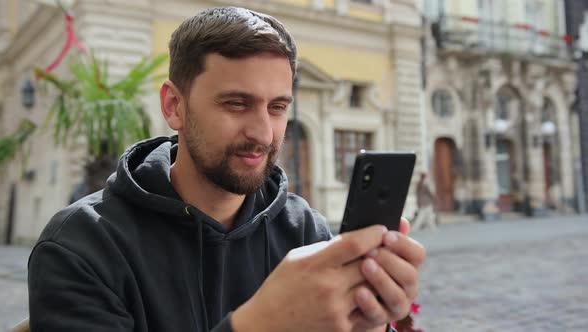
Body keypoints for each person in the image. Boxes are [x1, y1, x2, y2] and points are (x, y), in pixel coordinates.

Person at [28, 7, 426, 332]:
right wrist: (257, 325)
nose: (262, 132)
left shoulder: (305, 231)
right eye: (236, 104)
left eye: (277, 107)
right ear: (174, 106)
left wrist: (365, 324)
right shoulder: (80, 247)